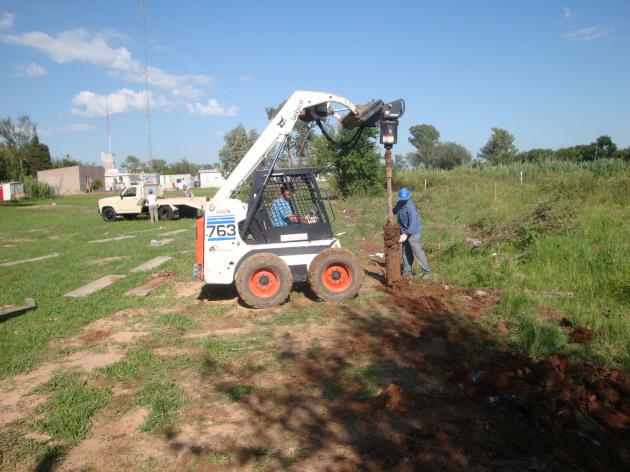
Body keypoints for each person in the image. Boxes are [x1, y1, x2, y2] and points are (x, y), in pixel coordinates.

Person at [393, 187, 431, 278]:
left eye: (405, 199)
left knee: (417, 250)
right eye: (402, 199)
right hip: (404, 231)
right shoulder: (399, 204)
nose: (403, 201)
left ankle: (427, 271)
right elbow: (394, 210)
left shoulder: (410, 207)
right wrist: (390, 213)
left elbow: (413, 224)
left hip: (413, 232)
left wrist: (406, 234)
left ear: (408, 198)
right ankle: (407, 272)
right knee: (405, 251)